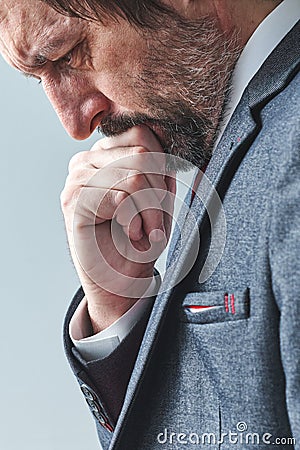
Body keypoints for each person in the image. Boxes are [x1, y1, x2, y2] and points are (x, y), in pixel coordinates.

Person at [0, 0, 299, 448]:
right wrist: (119, 307)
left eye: (68, 54)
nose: (75, 123)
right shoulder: (236, 124)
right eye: (41, 78)